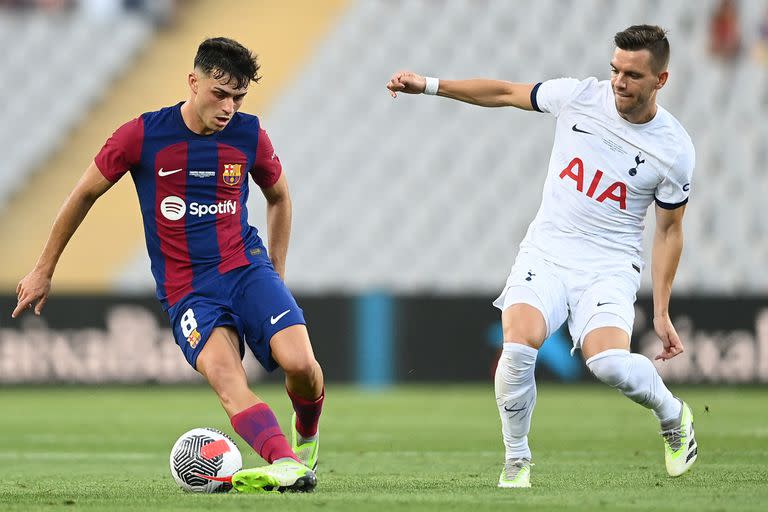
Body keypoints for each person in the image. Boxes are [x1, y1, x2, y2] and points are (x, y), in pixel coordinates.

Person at [387, 25, 697, 488]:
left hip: (609, 266)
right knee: (517, 343)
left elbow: (670, 231)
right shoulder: (578, 97)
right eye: (614, 70)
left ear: (661, 80)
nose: (618, 82)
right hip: (547, 251)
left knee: (608, 363)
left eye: (632, 75)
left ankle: (673, 416)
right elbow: (504, 92)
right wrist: (430, 84)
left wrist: (662, 309)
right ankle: (517, 461)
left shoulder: (674, 150)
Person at [13, 37, 323, 493]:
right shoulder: (141, 135)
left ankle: (307, 435)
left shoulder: (250, 134)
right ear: (193, 81)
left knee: (300, 362)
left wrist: (276, 270)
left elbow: (278, 197)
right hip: (187, 290)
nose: (229, 108)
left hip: (246, 268)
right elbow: (83, 193)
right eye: (220, 94)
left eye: (238, 98)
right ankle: (287, 463)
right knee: (224, 375)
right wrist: (44, 268)